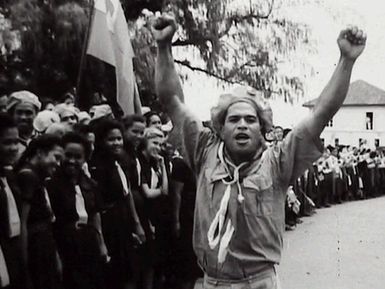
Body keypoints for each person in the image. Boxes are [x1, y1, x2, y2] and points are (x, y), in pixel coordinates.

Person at [153, 13, 366, 288]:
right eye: (234, 119)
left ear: (262, 127)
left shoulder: (278, 161)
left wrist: (346, 60)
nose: (242, 125)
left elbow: (321, 112)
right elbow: (172, 100)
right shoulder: (204, 150)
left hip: (258, 282)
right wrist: (163, 47)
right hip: (211, 282)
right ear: (220, 128)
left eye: (250, 119)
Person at [47, 132, 108, 289]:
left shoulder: (89, 183)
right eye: (68, 155)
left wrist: (101, 244)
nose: (72, 161)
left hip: (88, 243)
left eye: (78, 157)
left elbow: (95, 214)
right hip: (65, 244)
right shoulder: (52, 185)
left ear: (85, 158)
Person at [89, 119, 145, 289]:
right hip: (110, 225)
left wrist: (136, 224)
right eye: (111, 139)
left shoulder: (120, 162)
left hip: (124, 221)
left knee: (131, 271)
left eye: (119, 138)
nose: (116, 143)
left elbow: (126, 193)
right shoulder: (97, 167)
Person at [16, 134, 63, 289]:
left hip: (44, 243)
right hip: (35, 247)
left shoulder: (37, 176)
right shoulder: (28, 176)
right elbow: (22, 222)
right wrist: (24, 265)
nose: (58, 163)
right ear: (40, 152)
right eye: (55, 157)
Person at [137, 127, 169, 289]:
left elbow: (165, 190)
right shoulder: (140, 162)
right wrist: (161, 192)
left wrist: (162, 166)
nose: (158, 147)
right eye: (154, 143)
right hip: (143, 215)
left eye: (160, 145)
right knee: (147, 263)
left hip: (155, 215)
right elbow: (149, 193)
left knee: (155, 262)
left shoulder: (153, 164)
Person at [0, 113, 25, 289]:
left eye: (16, 142)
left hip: (13, 252)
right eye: (7, 143)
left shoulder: (10, 176)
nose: (14, 148)